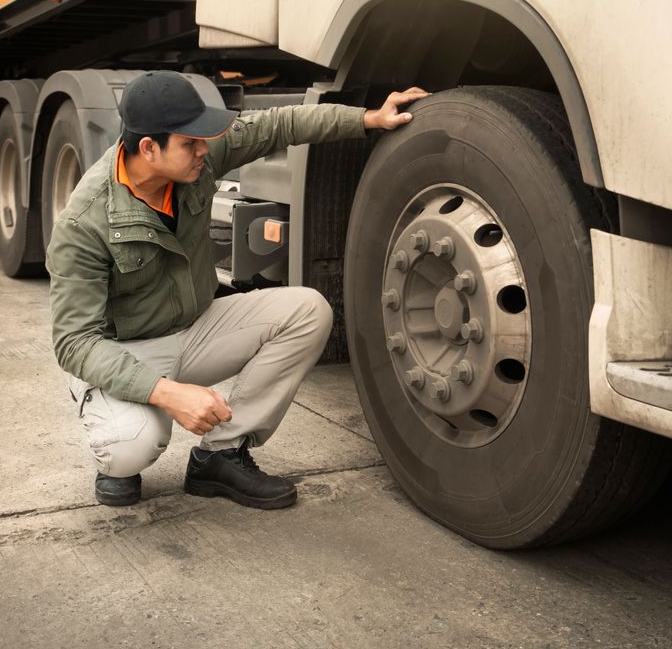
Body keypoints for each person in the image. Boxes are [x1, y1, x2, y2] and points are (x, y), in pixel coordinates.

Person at [46, 71, 429, 509]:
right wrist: (169, 393)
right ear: (149, 148)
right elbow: (75, 342)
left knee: (308, 311)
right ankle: (120, 446)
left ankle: (221, 455)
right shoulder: (84, 223)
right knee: (130, 446)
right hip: (128, 349)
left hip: (194, 326)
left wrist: (368, 118)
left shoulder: (198, 159)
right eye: (190, 142)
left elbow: (280, 125)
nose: (203, 149)